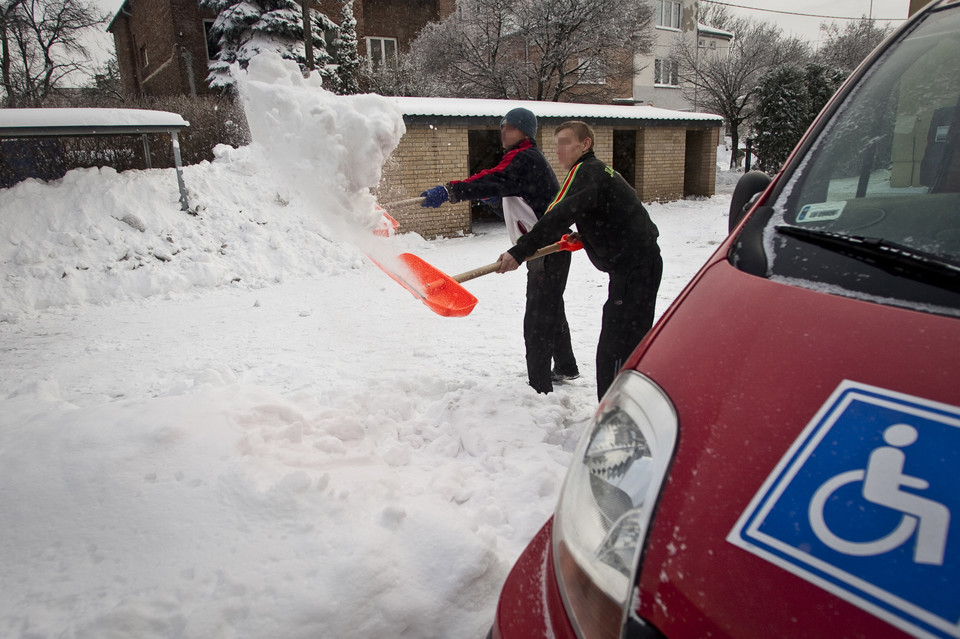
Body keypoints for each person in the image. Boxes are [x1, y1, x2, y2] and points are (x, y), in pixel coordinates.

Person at [496, 120, 662, 401]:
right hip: (639, 266)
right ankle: (624, 408)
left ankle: (612, 414)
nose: (558, 150)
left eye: (565, 142)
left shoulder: (586, 171)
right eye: (556, 143)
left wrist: (519, 251)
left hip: (633, 271)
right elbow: (610, 213)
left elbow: (557, 214)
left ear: (585, 144)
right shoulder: (597, 172)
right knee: (629, 344)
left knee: (614, 349)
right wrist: (585, 235)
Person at [419, 107, 579, 394]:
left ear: (525, 131)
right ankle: (566, 367)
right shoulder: (523, 160)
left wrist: (450, 191)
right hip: (543, 247)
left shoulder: (524, 158)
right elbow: (517, 204)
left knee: (538, 319)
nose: (504, 130)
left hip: (547, 247)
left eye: (511, 126)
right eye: (503, 125)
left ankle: (539, 388)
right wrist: (495, 202)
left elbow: (490, 178)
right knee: (551, 308)